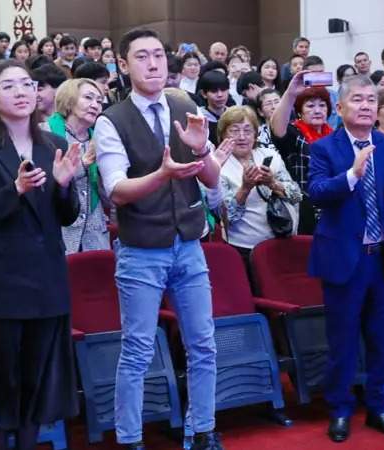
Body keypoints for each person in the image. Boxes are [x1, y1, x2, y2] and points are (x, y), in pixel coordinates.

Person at [93, 28, 223, 450]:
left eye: (158, 56)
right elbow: (115, 190)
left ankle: (202, 431)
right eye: (142, 57)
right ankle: (130, 440)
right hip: (141, 250)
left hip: (189, 244)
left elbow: (212, 180)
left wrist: (202, 151)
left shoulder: (185, 105)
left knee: (203, 344)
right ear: (124, 65)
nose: (153, 63)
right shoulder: (111, 120)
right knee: (137, 350)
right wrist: (163, 174)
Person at [0, 59, 81, 450]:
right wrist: (15, 190)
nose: (22, 92)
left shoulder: (53, 144)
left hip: (45, 278)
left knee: (34, 377)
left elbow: (67, 215)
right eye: (9, 86)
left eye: (27, 84)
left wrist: (61, 187)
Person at [308, 74, 384, 442]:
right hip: (344, 259)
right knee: (342, 342)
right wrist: (351, 176)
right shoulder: (325, 148)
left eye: (372, 100)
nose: (367, 105)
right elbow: (317, 193)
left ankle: (380, 409)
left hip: (383, 257)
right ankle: (339, 411)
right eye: (358, 99)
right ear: (339, 108)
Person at [218, 106, 300, 263]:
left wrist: (273, 183)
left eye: (248, 131)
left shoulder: (270, 155)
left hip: (282, 241)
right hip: (244, 248)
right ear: (223, 135)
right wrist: (245, 188)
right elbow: (227, 218)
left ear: (256, 134)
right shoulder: (218, 165)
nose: (242, 137)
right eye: (234, 131)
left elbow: (297, 196)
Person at [47, 78, 109, 254]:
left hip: (95, 235)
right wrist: (83, 164)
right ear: (69, 99)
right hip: (59, 233)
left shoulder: (101, 138)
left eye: (99, 100)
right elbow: (44, 184)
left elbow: (108, 197)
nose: (95, 105)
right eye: (88, 98)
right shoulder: (46, 133)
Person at [271, 70, 334, 234]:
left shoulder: (335, 136)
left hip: (331, 205)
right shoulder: (294, 133)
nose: (317, 110)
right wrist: (291, 93)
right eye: (310, 105)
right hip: (303, 206)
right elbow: (276, 127)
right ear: (300, 111)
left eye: (322, 105)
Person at [198, 70, 230, 144]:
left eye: (223, 90)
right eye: (214, 91)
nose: (220, 95)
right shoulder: (199, 117)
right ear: (204, 94)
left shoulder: (235, 115)